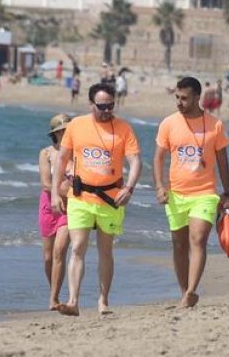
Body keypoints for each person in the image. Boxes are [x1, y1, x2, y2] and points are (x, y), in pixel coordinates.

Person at [51, 83, 141, 316]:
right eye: (101, 106)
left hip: (111, 198)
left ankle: (103, 300)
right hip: (81, 196)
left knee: (105, 251)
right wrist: (54, 193)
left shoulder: (124, 129)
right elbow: (61, 160)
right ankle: (73, 301)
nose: (107, 110)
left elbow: (135, 162)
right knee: (78, 247)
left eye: (111, 105)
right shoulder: (76, 126)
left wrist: (129, 188)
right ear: (91, 104)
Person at [154, 77, 229, 308]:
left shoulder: (214, 125)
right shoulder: (168, 123)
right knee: (179, 245)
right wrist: (160, 186)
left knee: (198, 239)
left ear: (197, 98)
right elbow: (158, 158)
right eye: (177, 97)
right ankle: (185, 293)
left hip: (205, 193)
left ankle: (192, 290)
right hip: (176, 194)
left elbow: (222, 160)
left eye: (184, 98)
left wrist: (228, 193)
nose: (179, 102)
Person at [39, 113, 73, 310]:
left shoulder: (77, 153)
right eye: (62, 131)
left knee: (60, 251)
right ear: (55, 133)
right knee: (48, 256)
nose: (66, 134)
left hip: (70, 206)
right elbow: (45, 183)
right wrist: (58, 192)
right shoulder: (46, 153)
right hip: (48, 205)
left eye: (69, 130)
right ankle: (55, 290)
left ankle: (53, 299)